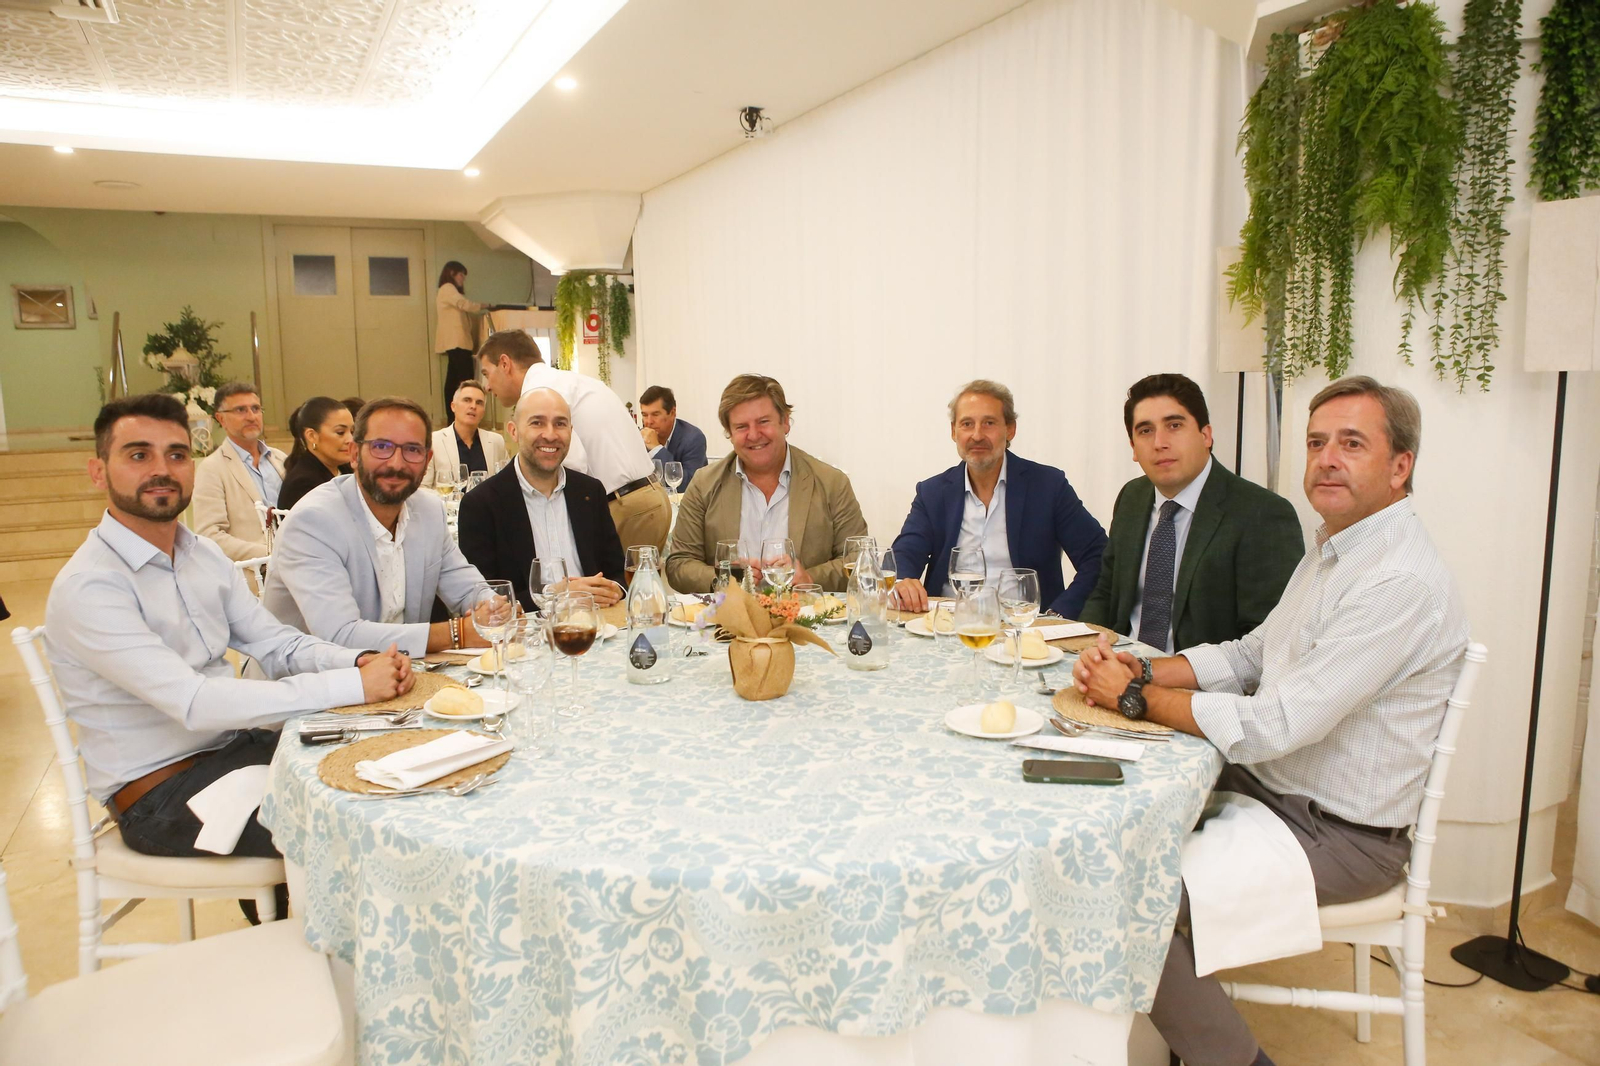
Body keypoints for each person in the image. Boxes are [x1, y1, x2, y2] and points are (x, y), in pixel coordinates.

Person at [1072, 376, 1469, 1066]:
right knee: (1092, 819)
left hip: (1341, 830)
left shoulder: (1396, 580)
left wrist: (1133, 699)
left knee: (1123, 894)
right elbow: (1255, 653)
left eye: (1352, 444)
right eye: (1317, 443)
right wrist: (1145, 673)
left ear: (1400, 466)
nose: (1326, 459)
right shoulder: (1338, 548)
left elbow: (1278, 722)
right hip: (1275, 788)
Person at [44, 393, 411, 864]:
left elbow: (275, 641)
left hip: (235, 751)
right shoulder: (91, 586)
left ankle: (300, 915)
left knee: (392, 769)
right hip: (161, 791)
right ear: (99, 472)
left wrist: (356, 660)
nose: (162, 469)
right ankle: (307, 928)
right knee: (364, 836)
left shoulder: (199, 554)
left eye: (176, 455)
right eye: (139, 455)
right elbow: (196, 703)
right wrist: (351, 685)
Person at [1078, 374, 1304, 652]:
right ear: (1133, 448)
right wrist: (1085, 651)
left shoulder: (1263, 514)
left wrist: (1163, 675)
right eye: (1145, 431)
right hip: (1120, 666)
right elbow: (1106, 591)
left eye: (1174, 425)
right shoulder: (1131, 498)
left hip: (1200, 685)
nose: (1159, 442)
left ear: (1206, 435)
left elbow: (1268, 641)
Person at [263, 397, 494, 657]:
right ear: (353, 454)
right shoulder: (314, 522)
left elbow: (466, 588)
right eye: (381, 447)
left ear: (427, 459)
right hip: (303, 684)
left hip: (399, 677)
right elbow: (340, 636)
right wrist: (457, 633)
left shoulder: (428, 510)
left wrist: (494, 608)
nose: (396, 463)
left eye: (412, 450)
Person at [890, 380, 1106, 618]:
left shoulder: (1048, 486)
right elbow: (905, 554)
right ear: (953, 431)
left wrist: (1059, 614)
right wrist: (902, 581)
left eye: (989, 423)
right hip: (947, 626)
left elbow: (1097, 556)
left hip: (1026, 630)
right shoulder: (932, 492)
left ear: (1010, 429)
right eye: (967, 424)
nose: (977, 435)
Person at [665, 374, 867, 592]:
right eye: (741, 426)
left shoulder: (831, 483)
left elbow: (860, 559)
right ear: (729, 433)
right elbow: (679, 564)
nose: (754, 435)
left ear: (785, 422)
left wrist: (810, 577)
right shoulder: (704, 485)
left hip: (807, 619)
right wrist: (724, 579)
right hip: (730, 619)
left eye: (763, 422)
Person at [477, 330, 672, 552]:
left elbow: (572, 464)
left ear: (504, 363)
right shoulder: (570, 381)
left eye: (486, 373)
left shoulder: (541, 392)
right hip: (647, 498)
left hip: (627, 506)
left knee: (611, 586)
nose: (487, 386)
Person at [458, 388, 625, 611]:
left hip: (598, 625)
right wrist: (556, 595)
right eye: (537, 423)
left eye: (560, 424)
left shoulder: (589, 492)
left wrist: (613, 589)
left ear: (571, 431)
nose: (550, 434)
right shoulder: (481, 504)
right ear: (513, 431)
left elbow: (616, 573)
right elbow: (484, 601)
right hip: (526, 635)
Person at [192, 381, 286, 562]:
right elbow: (209, 535)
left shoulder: (279, 459)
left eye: (256, 409)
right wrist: (269, 553)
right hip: (253, 572)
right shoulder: (212, 468)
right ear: (221, 419)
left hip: (294, 564)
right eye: (241, 410)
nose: (251, 417)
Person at [422, 380, 508, 488]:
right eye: (467, 400)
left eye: (479, 403)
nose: (473, 406)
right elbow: (423, 488)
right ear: (453, 406)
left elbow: (506, 482)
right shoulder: (434, 441)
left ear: (483, 411)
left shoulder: (496, 441)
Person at [277, 396, 354, 511]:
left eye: (352, 431)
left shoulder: (347, 469)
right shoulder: (303, 483)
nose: (350, 439)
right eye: (340, 432)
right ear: (312, 436)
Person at [639, 385, 708, 491]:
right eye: (644, 415)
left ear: (672, 412)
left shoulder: (693, 438)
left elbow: (689, 485)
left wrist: (656, 449)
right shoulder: (639, 439)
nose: (648, 422)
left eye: (655, 414)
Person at [436, 261, 486, 405]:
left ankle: (454, 415)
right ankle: (464, 410)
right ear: (452, 273)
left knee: (453, 379)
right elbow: (464, 304)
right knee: (465, 378)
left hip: (455, 341)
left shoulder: (446, 290)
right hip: (457, 341)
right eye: (461, 275)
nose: (462, 279)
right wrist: (483, 305)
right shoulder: (447, 288)